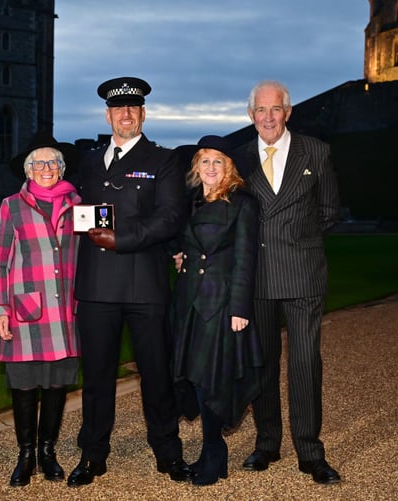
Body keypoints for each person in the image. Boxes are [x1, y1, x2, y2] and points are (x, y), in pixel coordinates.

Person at [66, 76, 192, 487]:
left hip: (145, 286)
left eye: (133, 109)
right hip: (97, 286)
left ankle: (168, 452)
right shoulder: (87, 160)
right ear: (108, 115)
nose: (126, 115)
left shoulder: (164, 160)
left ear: (143, 114)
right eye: (119, 109)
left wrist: (122, 239)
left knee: (156, 374)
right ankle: (93, 453)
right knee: (97, 377)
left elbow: (171, 217)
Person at [236, 80, 341, 484]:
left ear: (288, 111)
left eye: (275, 109)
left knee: (304, 363)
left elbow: (329, 210)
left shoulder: (315, 151)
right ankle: (266, 443)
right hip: (257, 276)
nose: (267, 117)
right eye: (260, 110)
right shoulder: (240, 158)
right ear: (251, 115)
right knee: (262, 363)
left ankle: (310, 452)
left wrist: (296, 238)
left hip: (303, 273)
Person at [170, 135, 264, 486]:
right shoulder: (192, 201)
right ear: (196, 166)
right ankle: (211, 452)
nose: (210, 167)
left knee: (212, 380)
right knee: (195, 377)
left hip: (221, 304)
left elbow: (246, 259)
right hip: (189, 302)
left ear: (230, 169)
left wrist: (239, 308)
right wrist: (178, 255)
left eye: (218, 161)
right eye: (205, 161)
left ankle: (215, 455)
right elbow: (180, 241)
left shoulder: (243, 204)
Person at [0, 133, 81, 487]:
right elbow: (0, 262)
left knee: (57, 384)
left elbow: (98, 248)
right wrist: (0, 309)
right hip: (26, 309)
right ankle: (25, 454)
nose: (46, 168)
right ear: (28, 171)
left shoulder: (79, 204)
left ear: (61, 169)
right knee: (25, 386)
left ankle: (48, 451)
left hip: (67, 310)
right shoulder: (11, 206)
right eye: (38, 163)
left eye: (53, 163)